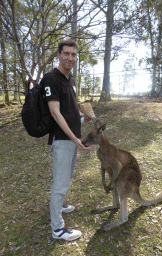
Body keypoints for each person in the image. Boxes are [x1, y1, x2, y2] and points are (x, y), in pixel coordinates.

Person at [42, 39, 92, 241]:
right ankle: (58, 229)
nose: (70, 57)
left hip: (71, 139)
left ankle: (59, 205)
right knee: (60, 184)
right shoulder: (51, 79)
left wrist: (81, 117)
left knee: (66, 176)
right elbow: (55, 113)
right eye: (66, 54)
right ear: (58, 55)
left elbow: (68, 112)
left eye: (73, 54)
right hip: (63, 140)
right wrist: (74, 138)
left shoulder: (69, 80)